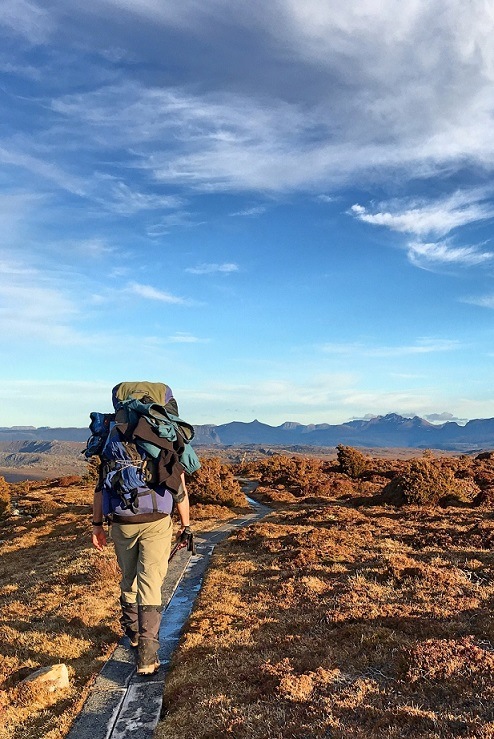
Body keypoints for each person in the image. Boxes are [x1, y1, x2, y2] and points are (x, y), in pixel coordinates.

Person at [90, 382, 194, 675]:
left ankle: (134, 634)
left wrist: (97, 525)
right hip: (157, 520)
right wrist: (186, 526)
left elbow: (101, 487)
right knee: (151, 582)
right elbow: (179, 489)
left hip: (121, 521)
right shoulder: (160, 436)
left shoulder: (113, 435)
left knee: (129, 578)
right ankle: (147, 655)